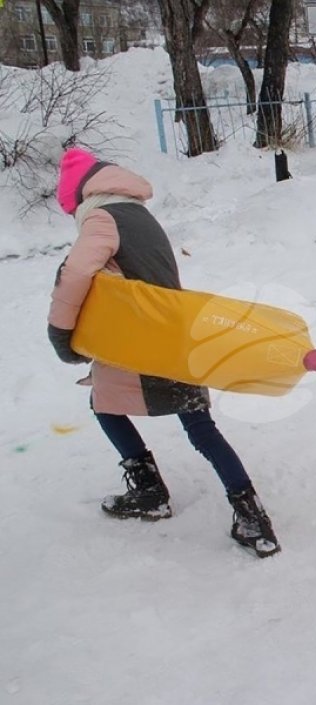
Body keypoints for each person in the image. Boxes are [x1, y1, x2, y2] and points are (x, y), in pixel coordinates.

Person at [47, 147, 280, 559]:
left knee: (106, 406)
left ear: (80, 197)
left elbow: (76, 275)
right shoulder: (139, 215)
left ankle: (151, 492)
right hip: (174, 334)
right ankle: (251, 517)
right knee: (198, 426)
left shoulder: (102, 219)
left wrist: (60, 335)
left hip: (141, 344)